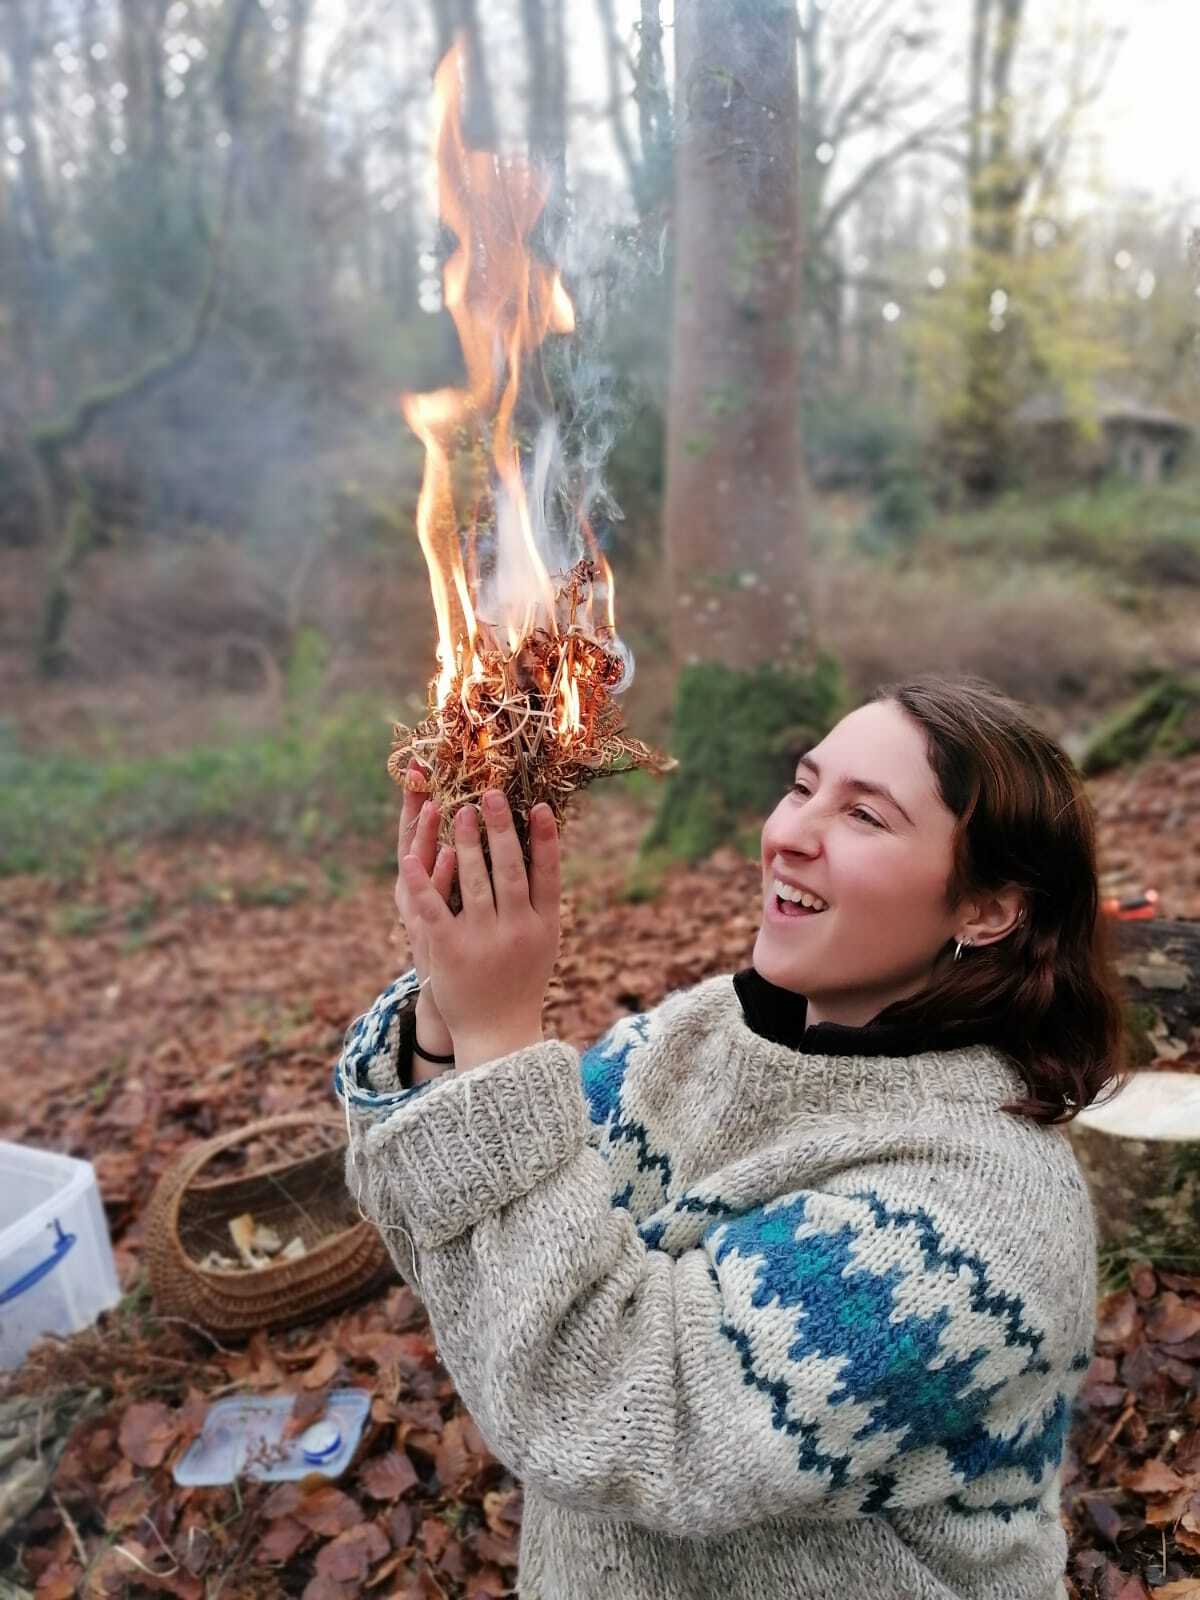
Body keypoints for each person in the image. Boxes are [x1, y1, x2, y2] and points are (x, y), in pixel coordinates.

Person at [333, 673, 1125, 1600]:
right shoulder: (693, 1039)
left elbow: (617, 1417)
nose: (787, 832)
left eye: (866, 818)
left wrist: (502, 1039)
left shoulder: (982, 1220)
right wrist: (447, 1018)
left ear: (988, 907)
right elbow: (459, 1246)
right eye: (802, 786)